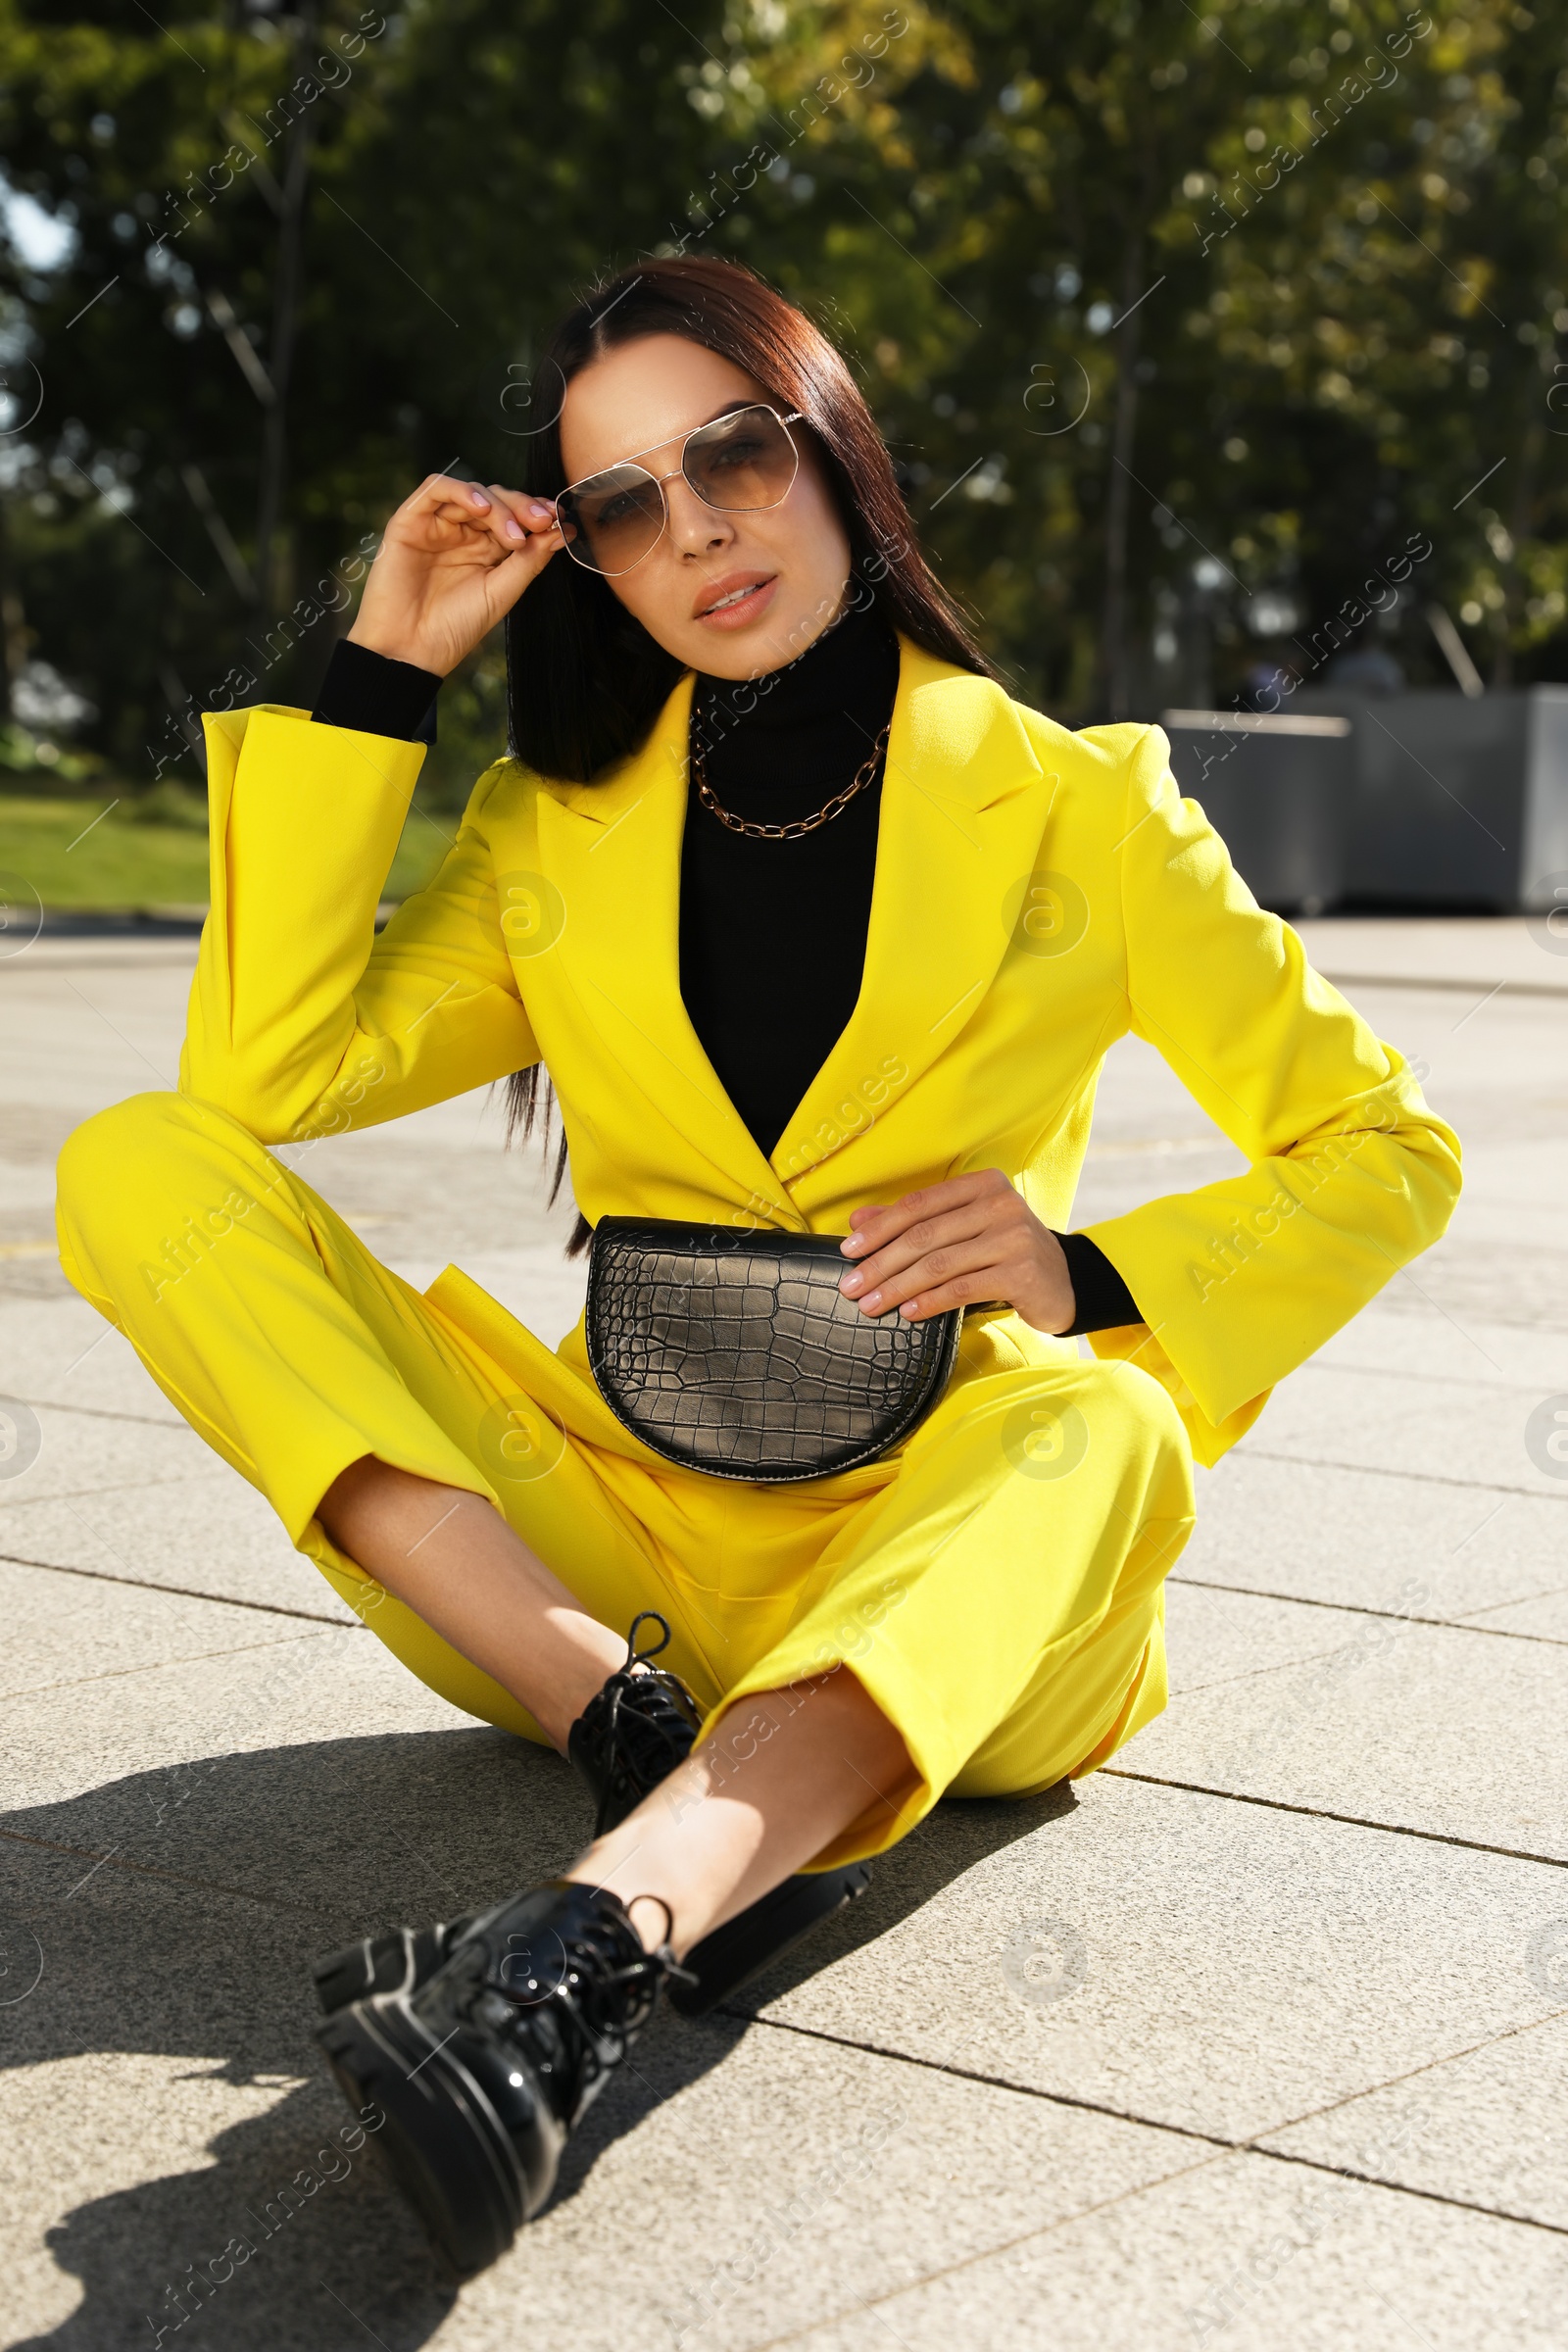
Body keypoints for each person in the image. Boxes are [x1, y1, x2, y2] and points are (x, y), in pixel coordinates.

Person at [54, 256, 1460, 2277]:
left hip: (949, 1568)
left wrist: (1074, 1263)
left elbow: (1383, 1146)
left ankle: (584, 1945)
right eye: (623, 502)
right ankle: (624, 1731)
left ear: (829, 452)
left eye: (731, 451)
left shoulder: (1081, 802)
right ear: (596, 569)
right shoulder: (552, 829)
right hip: (607, 1543)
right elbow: (267, 1072)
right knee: (139, 1160)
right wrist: (382, 666)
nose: (695, 521)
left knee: (1095, 1431)